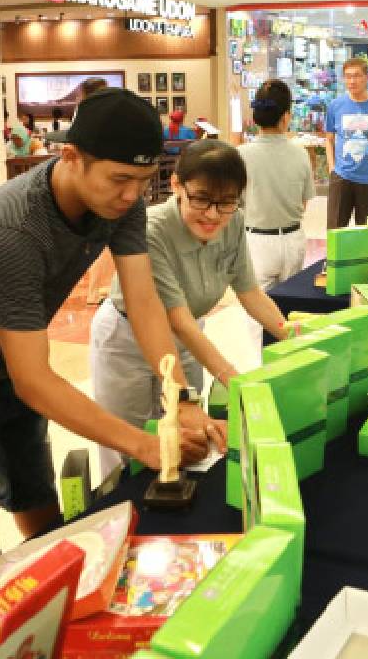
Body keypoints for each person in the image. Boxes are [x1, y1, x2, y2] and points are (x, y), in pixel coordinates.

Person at [0, 87, 224, 583]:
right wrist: (141, 445)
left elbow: (144, 302)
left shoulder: (118, 204)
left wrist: (180, 396)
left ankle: (50, 593)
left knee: (34, 492)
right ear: (71, 157)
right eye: (120, 179)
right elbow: (33, 381)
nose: (131, 195)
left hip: (14, 359)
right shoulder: (14, 228)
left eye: (144, 181)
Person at [90, 139, 290, 476]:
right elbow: (177, 319)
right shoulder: (151, 230)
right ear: (176, 185)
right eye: (201, 199)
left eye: (226, 202)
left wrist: (293, 337)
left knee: (190, 439)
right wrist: (233, 379)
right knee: (130, 447)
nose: (213, 215)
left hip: (185, 342)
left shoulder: (234, 222)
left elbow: (250, 293)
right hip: (128, 344)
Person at [238, 80, 315, 289]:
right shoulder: (301, 154)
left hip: (256, 240)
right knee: (290, 307)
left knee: (258, 312)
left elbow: (235, 204)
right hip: (293, 239)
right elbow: (304, 203)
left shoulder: (241, 155)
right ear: (286, 117)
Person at [324, 56, 368, 229]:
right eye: (348, 76)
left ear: (367, 77)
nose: (352, 81)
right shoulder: (336, 105)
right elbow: (329, 138)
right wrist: (332, 168)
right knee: (335, 231)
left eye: (356, 76)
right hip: (342, 178)